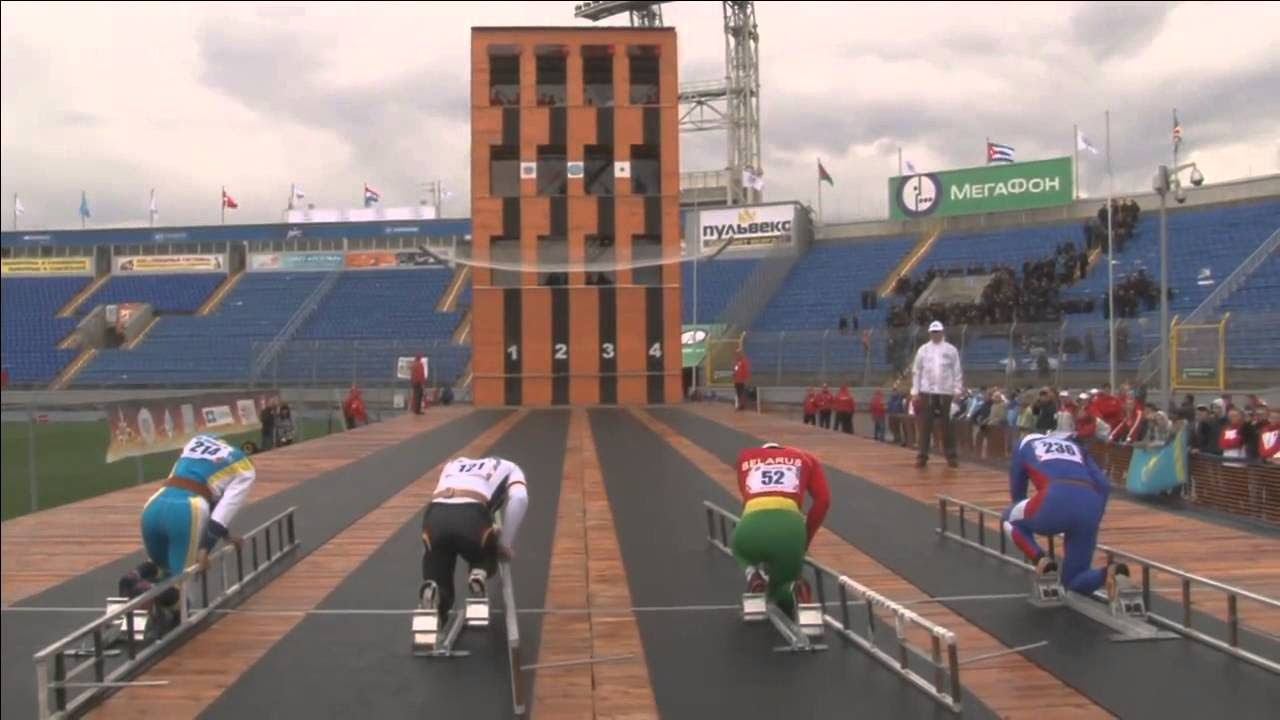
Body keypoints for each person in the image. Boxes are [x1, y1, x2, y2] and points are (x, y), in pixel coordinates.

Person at [125, 434, 256, 634]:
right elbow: (223, 511)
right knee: (181, 590)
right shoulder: (244, 466)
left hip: (155, 503)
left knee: (161, 568)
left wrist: (226, 536)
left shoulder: (197, 440)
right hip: (187, 510)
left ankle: (136, 577)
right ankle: (152, 594)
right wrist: (205, 548)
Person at [1001, 432, 1128, 600]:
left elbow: (1017, 494)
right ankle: (1110, 572)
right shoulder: (1076, 448)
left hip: (1055, 498)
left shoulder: (1025, 442)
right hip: (1091, 503)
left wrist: (1030, 534)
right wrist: (1094, 520)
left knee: (1008, 518)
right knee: (1073, 582)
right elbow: (1104, 485)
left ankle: (1041, 560)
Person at [418, 456, 529, 621]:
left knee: (437, 568)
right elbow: (520, 498)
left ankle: (435, 595)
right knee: (485, 554)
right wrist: (504, 543)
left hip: (435, 516)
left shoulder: (453, 464)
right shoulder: (511, 467)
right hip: (472, 515)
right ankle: (479, 573)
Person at [731, 442, 831, 621]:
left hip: (751, 526)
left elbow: (746, 498)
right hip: (791, 529)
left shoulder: (745, 457)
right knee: (780, 587)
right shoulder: (806, 459)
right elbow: (823, 501)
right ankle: (794, 588)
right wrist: (804, 540)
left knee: (739, 550)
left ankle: (753, 576)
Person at [911, 321, 963, 468]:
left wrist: (957, 389)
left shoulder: (951, 350)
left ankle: (951, 456)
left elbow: (956, 371)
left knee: (947, 425)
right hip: (927, 391)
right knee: (926, 425)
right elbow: (917, 371)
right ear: (929, 333)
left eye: (937, 331)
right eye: (933, 332)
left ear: (942, 332)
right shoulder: (923, 350)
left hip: (945, 391)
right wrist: (915, 391)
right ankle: (922, 456)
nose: (935, 334)